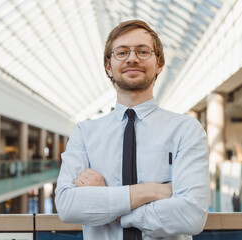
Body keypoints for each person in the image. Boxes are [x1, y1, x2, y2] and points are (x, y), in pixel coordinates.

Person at [55, 20, 209, 240]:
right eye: (122, 52)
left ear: (159, 64)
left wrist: (109, 203)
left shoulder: (186, 130)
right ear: (109, 66)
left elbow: (191, 215)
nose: (132, 58)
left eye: (143, 51)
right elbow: (67, 206)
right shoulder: (84, 133)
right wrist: (153, 191)